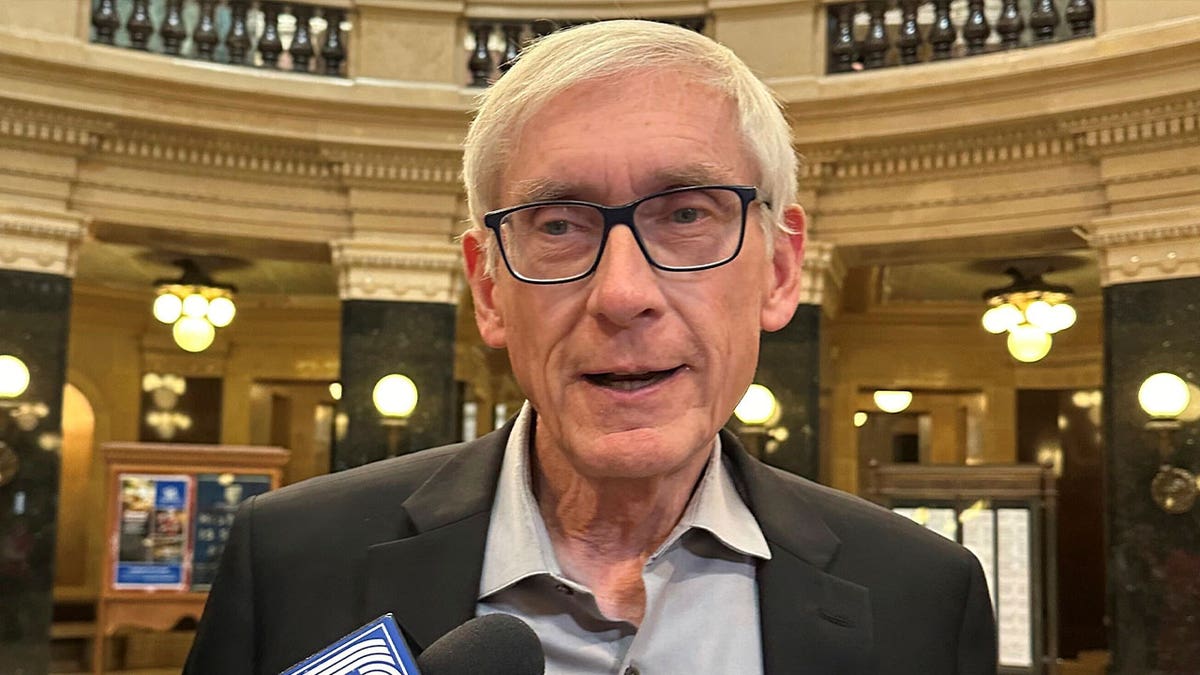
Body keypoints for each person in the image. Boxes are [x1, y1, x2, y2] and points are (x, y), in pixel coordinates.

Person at [184, 20, 997, 675]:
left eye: (685, 216)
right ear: (489, 286)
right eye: (560, 226)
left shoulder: (923, 594)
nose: (621, 294)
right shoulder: (291, 559)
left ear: (781, 271)